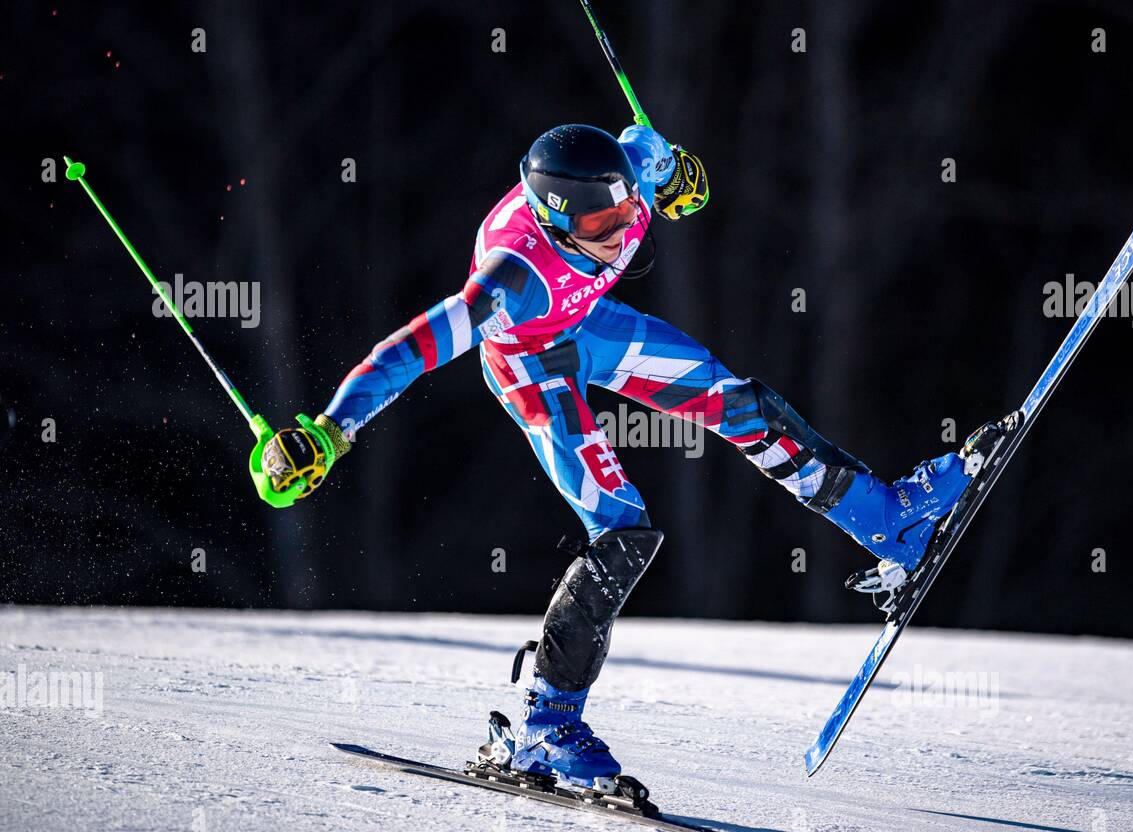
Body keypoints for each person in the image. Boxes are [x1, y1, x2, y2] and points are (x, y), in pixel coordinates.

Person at [257, 123, 982, 793]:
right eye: (599, 225)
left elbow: (670, 172)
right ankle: (546, 726)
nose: (619, 230)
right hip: (532, 365)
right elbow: (407, 352)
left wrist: (682, 181)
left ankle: (891, 524)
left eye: (624, 210)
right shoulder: (510, 279)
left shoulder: (629, 171)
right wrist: (329, 430)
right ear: (554, 220)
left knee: (741, 404)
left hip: (590, 325)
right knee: (624, 534)